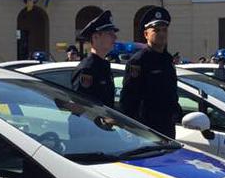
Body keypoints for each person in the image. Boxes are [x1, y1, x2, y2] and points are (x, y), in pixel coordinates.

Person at [120, 7, 180, 137]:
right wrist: (131, 126)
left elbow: (171, 92)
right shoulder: (138, 61)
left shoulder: (167, 59)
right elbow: (129, 97)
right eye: (156, 30)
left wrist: (176, 113)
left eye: (164, 30)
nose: (162, 34)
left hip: (167, 126)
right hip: (146, 126)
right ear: (146, 34)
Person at [71, 10, 117, 107]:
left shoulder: (104, 64)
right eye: (110, 34)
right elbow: (81, 106)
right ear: (95, 37)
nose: (115, 37)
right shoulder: (87, 68)